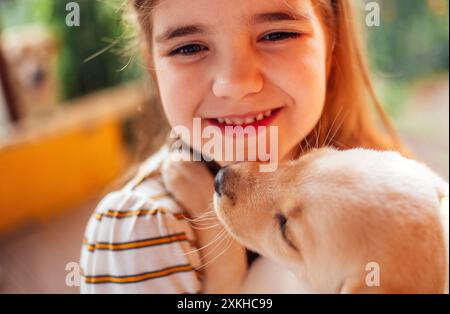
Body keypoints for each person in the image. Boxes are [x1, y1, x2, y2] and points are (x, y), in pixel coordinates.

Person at [80, 0, 409, 293]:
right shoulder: (142, 234)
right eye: (189, 47)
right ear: (151, 61)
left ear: (331, 46)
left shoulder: (384, 194)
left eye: (276, 35)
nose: (235, 84)